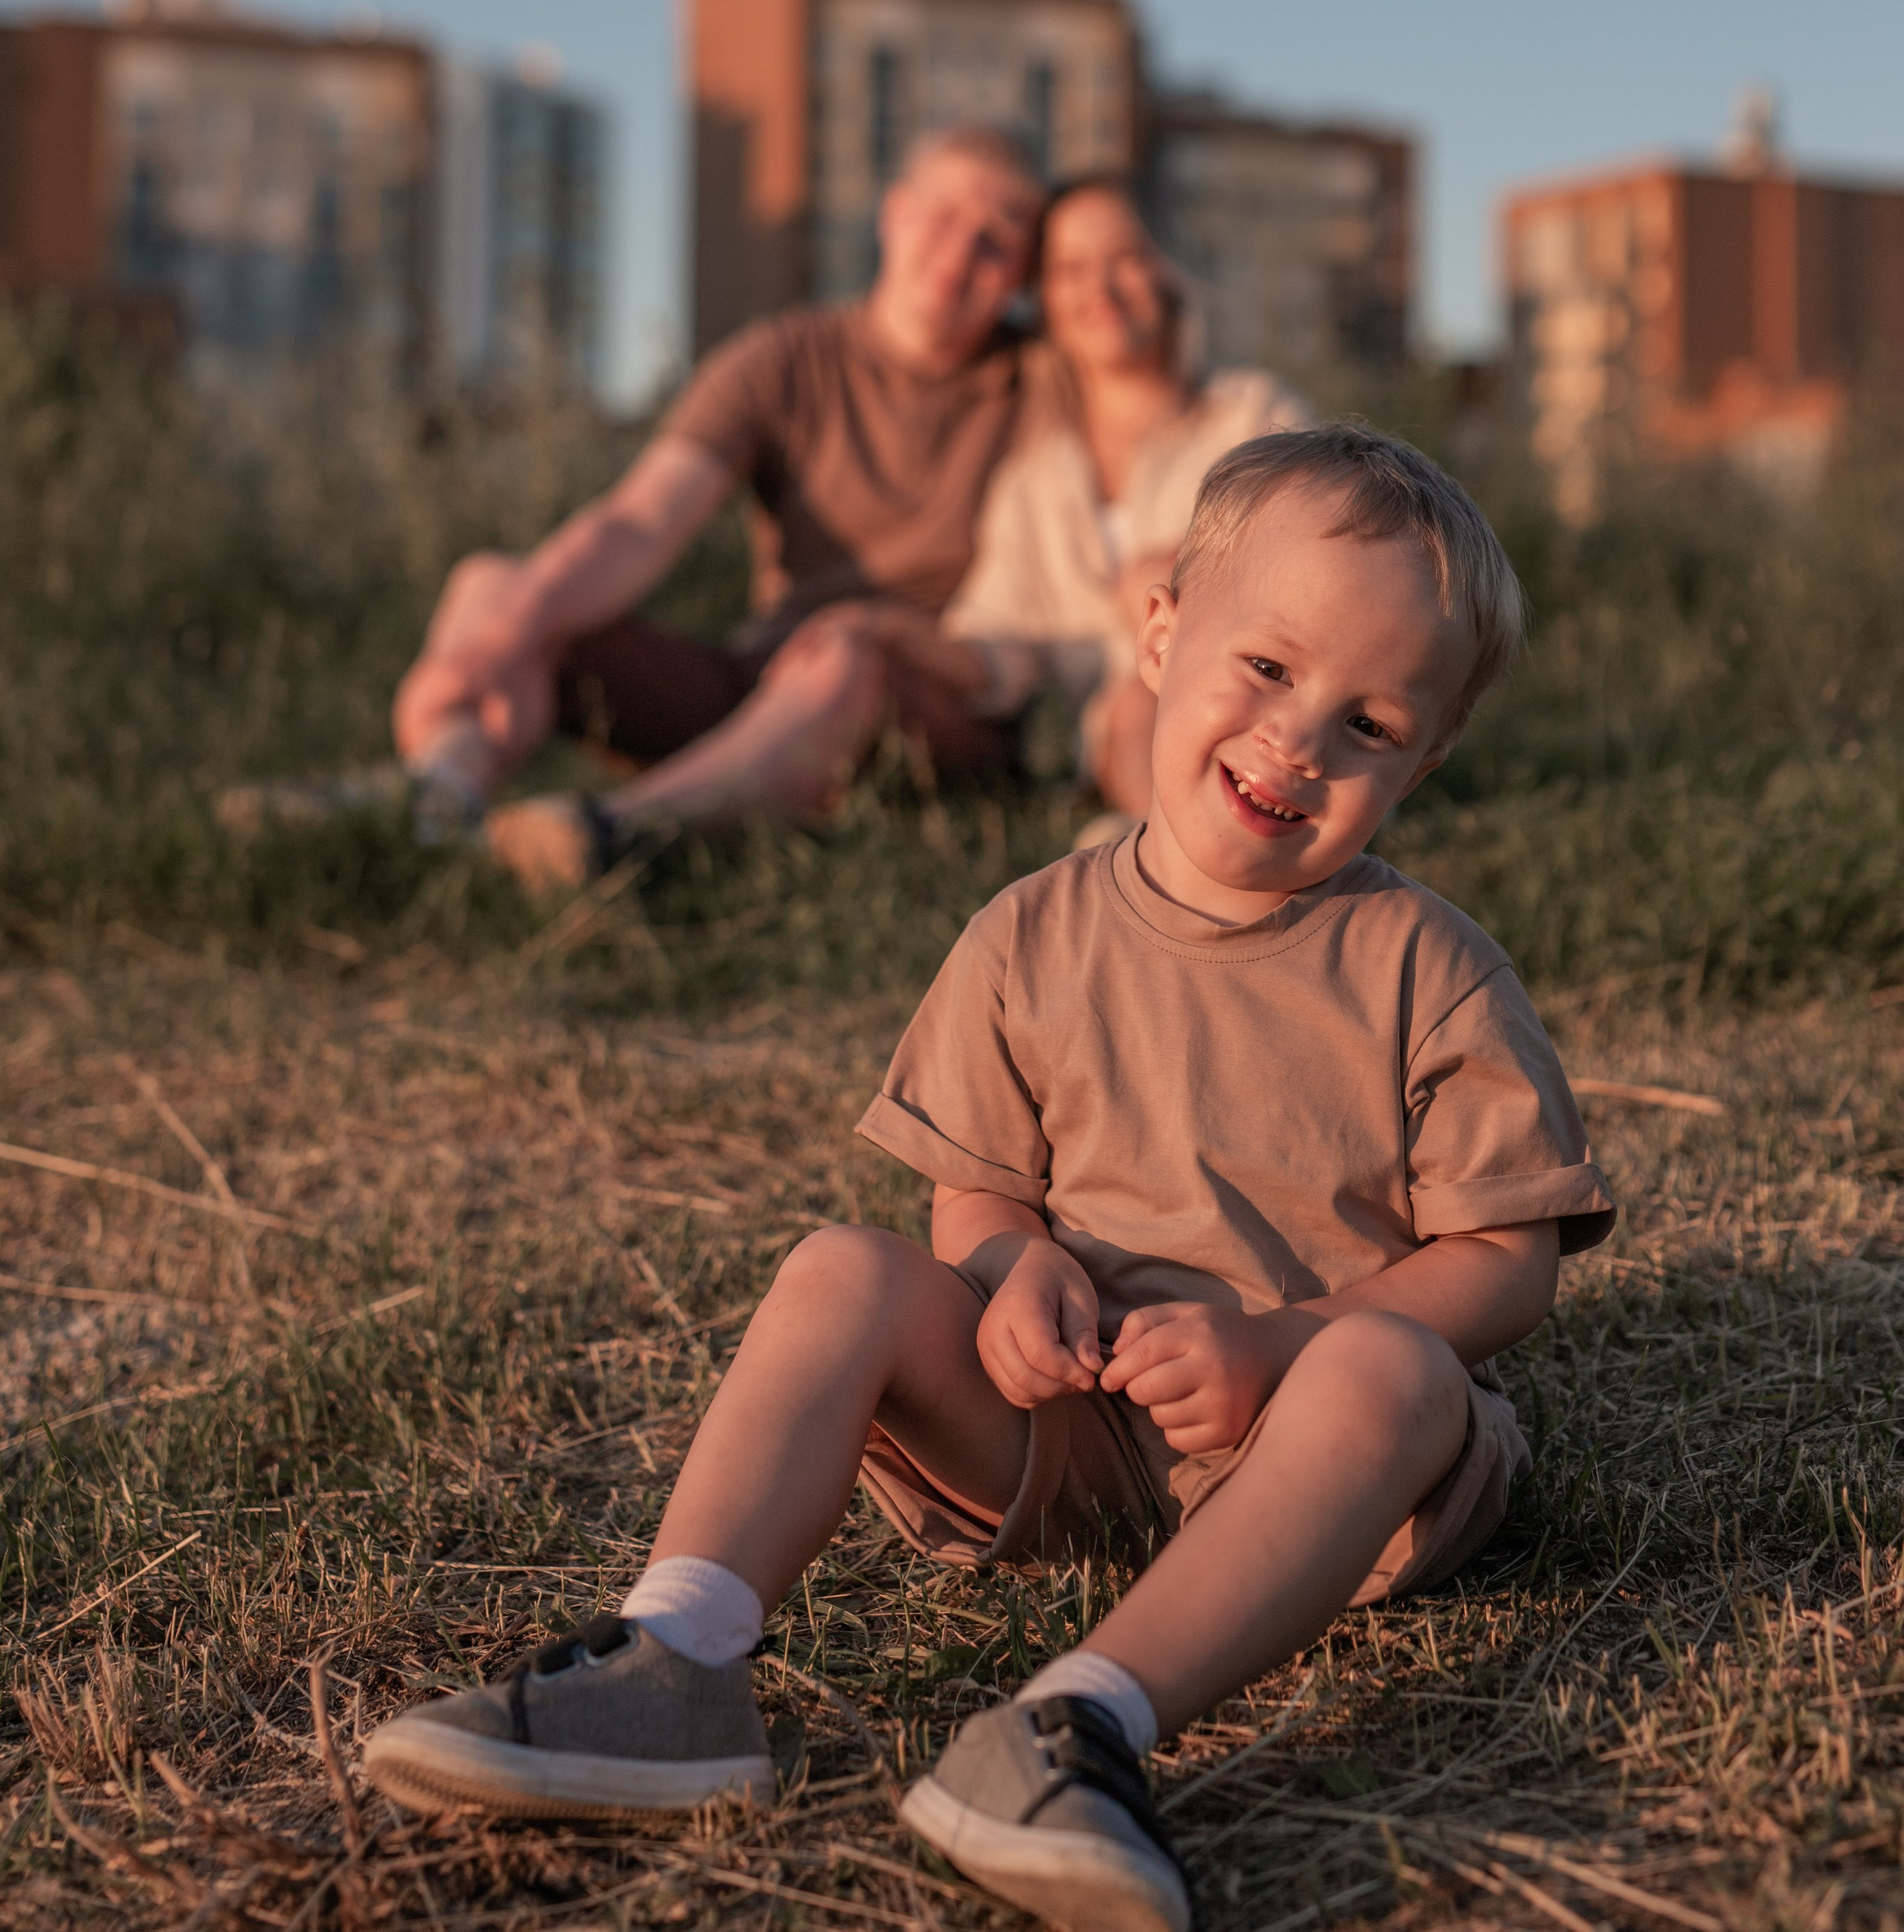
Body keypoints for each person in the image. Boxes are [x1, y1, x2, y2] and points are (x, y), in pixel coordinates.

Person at [362, 422, 1614, 1932]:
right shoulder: (1028, 934)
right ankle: (674, 1664)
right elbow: (978, 1192)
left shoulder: (1426, 966)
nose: (1296, 746)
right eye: (1267, 671)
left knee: (1398, 1374)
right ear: (1159, 632)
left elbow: (1504, 1259)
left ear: (1425, 757)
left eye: (1368, 725)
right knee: (842, 1268)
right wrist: (1010, 1269)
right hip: (1062, 1432)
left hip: (1312, 1461)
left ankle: (1075, 1731)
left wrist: (1277, 1343)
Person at [393, 128, 1044, 892]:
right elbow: (641, 520)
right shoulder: (784, 359)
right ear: (893, 216)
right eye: (942, 217)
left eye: (995, 237)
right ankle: (439, 805)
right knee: (494, 585)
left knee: (842, 663)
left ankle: (616, 840)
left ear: (1024, 273)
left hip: (933, 701)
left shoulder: (1044, 382)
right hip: (767, 680)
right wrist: (495, 642)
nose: (960, 252)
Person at [942, 173, 1312, 819]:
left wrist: (1188, 579)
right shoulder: (1034, 484)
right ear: (1045, 302)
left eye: (1126, 258)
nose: (1101, 289)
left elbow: (1325, 575)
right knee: (1136, 706)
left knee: (1160, 697)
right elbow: (997, 647)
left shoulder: (1255, 416)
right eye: (1070, 269)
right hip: (1118, 748)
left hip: (1275, 730)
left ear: (1169, 271)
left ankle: (1188, 875)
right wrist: (886, 635)